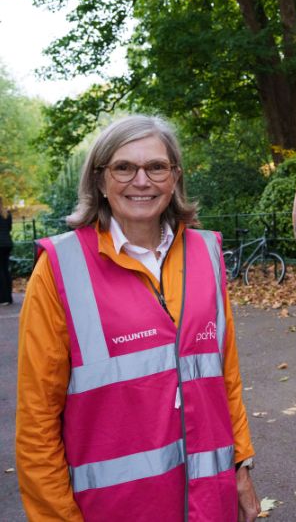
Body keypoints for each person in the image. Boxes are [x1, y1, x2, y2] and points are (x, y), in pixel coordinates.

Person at [16, 115, 260, 521]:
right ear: (99, 180)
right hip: (115, 510)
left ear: (175, 177)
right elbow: (37, 419)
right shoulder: (62, 267)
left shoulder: (205, 253)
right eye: (124, 167)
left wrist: (240, 468)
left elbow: (224, 377)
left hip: (208, 503)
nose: (142, 181)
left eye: (157, 167)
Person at [0, 196, 12, 305]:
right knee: (6, 269)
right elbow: (9, 228)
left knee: (1, 271)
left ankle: (3, 298)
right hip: (7, 243)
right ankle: (9, 297)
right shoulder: (7, 214)